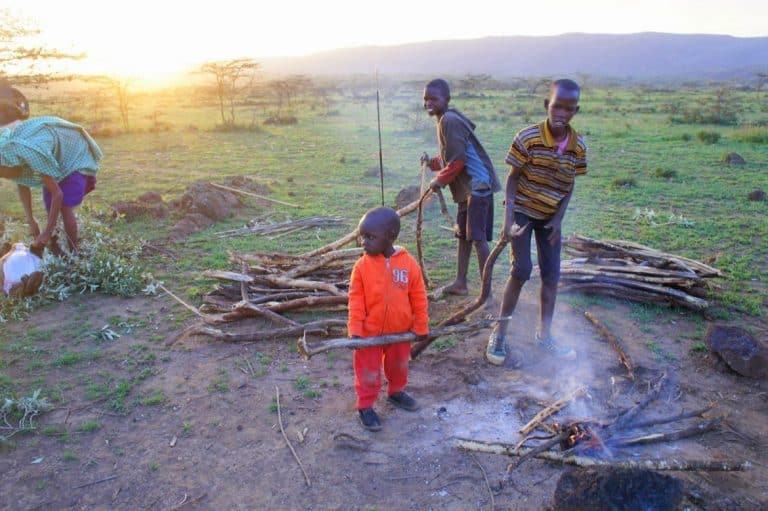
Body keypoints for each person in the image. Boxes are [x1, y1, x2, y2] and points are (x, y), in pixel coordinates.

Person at [486, 79, 587, 367]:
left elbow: (569, 187)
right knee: (521, 269)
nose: (562, 113)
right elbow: (512, 179)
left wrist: (558, 219)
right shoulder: (528, 138)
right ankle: (500, 333)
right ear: (547, 105)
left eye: (569, 109)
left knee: (552, 276)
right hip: (523, 212)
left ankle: (544, 336)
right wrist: (508, 221)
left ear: (575, 111)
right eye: (557, 106)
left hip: (550, 218)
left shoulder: (578, 146)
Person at [348, 207, 429, 431]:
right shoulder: (361, 267)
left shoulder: (409, 264)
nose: (364, 242)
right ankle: (365, 405)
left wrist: (420, 325)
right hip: (369, 334)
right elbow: (355, 300)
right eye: (363, 237)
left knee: (399, 366)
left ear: (391, 236)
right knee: (368, 371)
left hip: (399, 332)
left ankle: (396, 392)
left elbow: (419, 296)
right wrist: (355, 329)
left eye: (370, 237)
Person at [421, 78, 502, 296]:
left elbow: (458, 162)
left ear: (446, 99)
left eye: (433, 98)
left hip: (478, 186)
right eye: (426, 99)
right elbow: (452, 157)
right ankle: (461, 283)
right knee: (463, 236)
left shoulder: (449, 121)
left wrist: (438, 181)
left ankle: (487, 292)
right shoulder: (444, 120)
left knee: (477, 238)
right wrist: (433, 164)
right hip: (468, 188)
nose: (429, 102)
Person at [0, 85, 102, 254]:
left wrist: (46, 231)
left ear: (6, 166)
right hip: (54, 153)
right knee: (49, 203)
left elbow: (58, 194)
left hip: (73, 153)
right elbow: (21, 182)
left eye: (4, 174)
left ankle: (74, 252)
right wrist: (31, 220)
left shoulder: (31, 152)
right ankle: (55, 248)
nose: (6, 178)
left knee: (64, 204)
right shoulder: (7, 155)